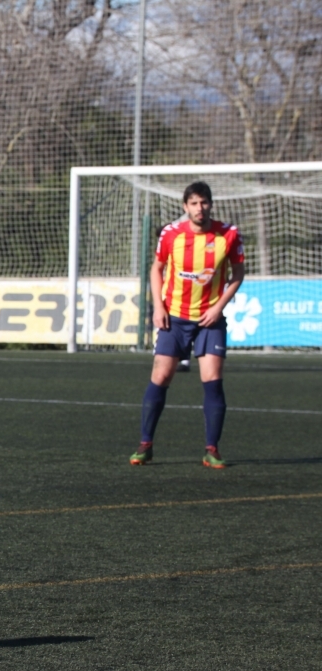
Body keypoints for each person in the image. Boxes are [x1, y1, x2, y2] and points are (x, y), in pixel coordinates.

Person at [130, 181, 244, 468]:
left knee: (213, 380)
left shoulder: (228, 234)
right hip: (175, 317)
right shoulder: (171, 234)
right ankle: (145, 444)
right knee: (162, 375)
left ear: (210, 205)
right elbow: (156, 269)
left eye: (204, 202)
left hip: (210, 319)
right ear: (185, 206)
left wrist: (219, 307)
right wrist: (158, 306)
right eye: (194, 203)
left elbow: (238, 273)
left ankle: (212, 449)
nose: (199, 208)